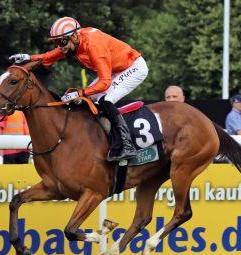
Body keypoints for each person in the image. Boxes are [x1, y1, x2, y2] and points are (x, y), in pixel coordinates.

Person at [9, 16, 149, 162]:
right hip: (115, 69)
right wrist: (28, 57)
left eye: (61, 41)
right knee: (84, 101)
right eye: (56, 42)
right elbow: (50, 56)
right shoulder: (73, 41)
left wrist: (79, 93)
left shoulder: (93, 46)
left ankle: (127, 145)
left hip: (133, 67)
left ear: (75, 35)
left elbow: (105, 82)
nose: (60, 46)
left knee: (105, 100)